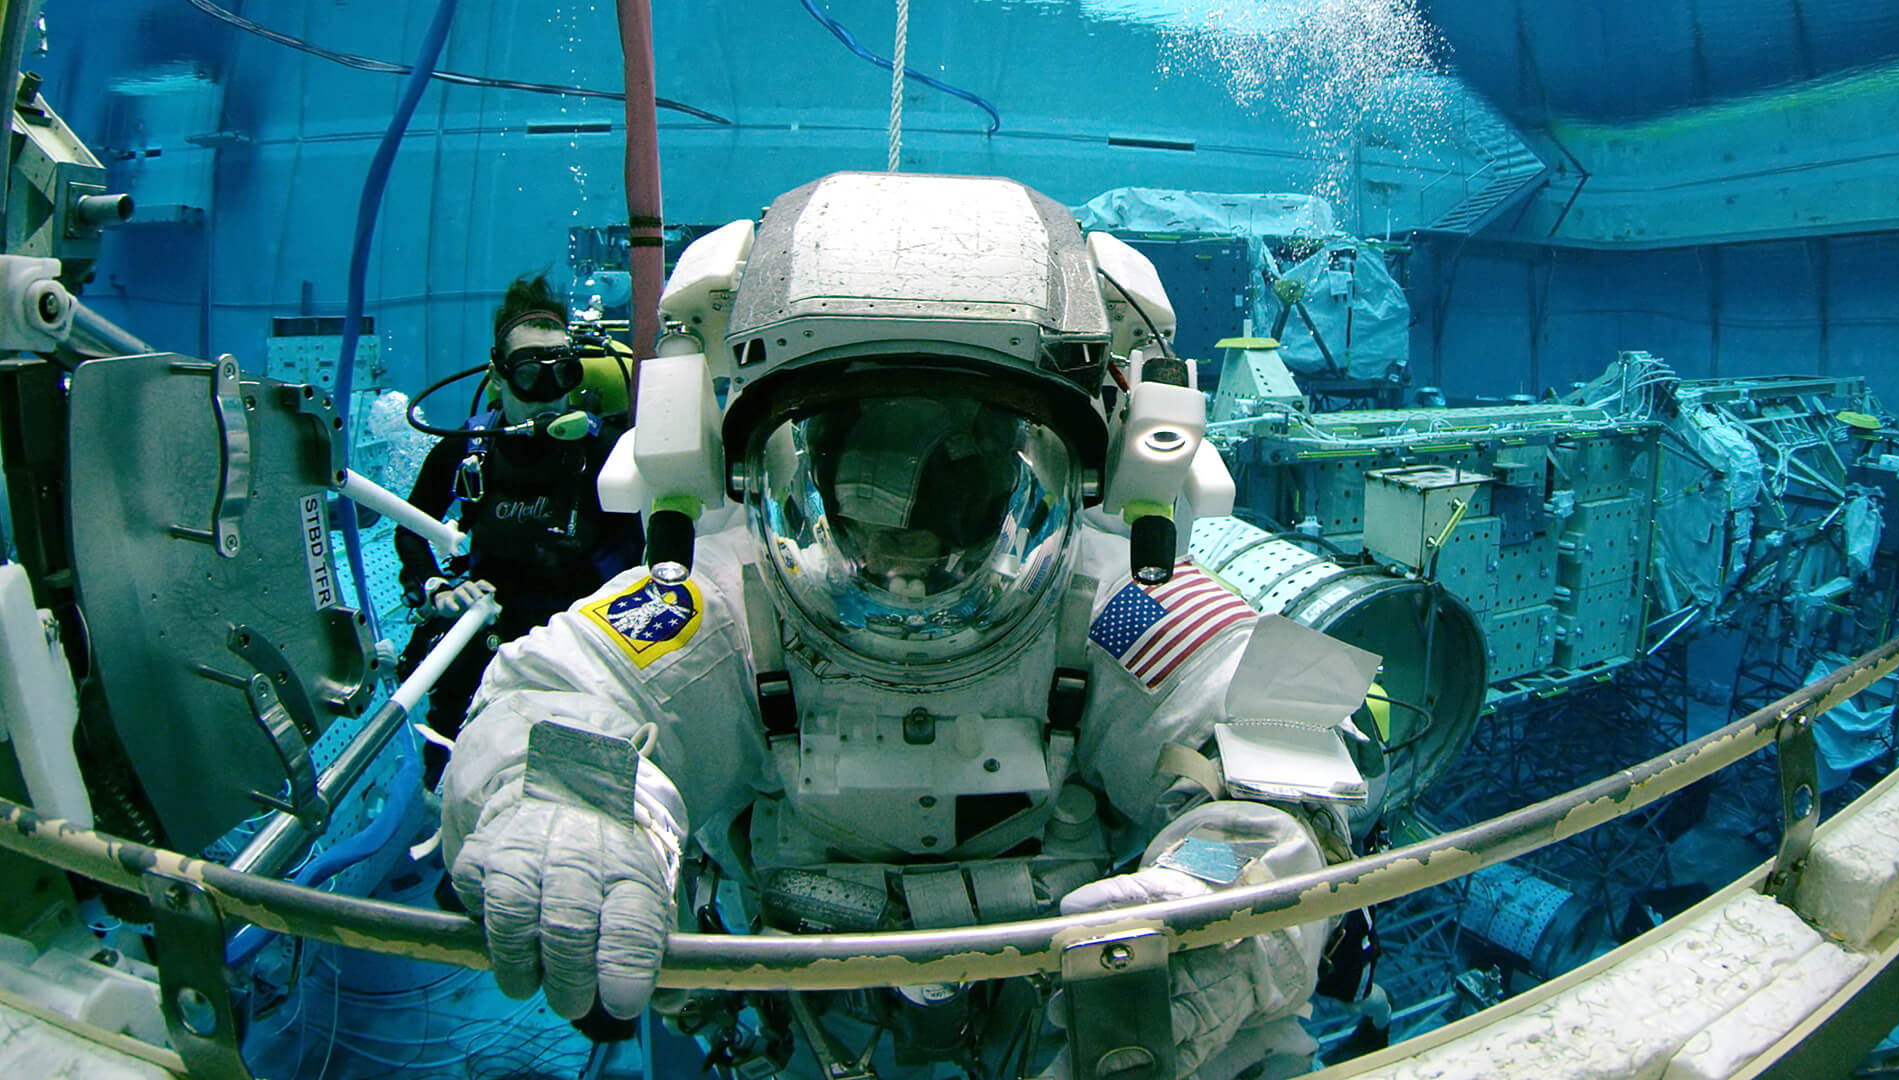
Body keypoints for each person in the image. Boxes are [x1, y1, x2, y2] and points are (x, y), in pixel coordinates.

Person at [440, 174, 1357, 1078]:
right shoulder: (728, 597)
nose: (909, 541)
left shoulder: (1111, 600)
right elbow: (560, 698)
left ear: (1089, 475)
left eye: (961, 472)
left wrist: (1215, 897)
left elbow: (1285, 753)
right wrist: (572, 810)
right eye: (860, 464)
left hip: (1078, 1026)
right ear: (747, 470)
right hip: (796, 1027)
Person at [395, 273, 643, 784]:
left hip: (579, 642)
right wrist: (435, 587)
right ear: (498, 374)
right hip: (486, 630)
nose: (549, 396)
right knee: (450, 776)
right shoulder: (467, 451)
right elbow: (410, 527)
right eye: (531, 375)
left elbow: (642, 548)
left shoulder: (607, 451)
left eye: (563, 373)